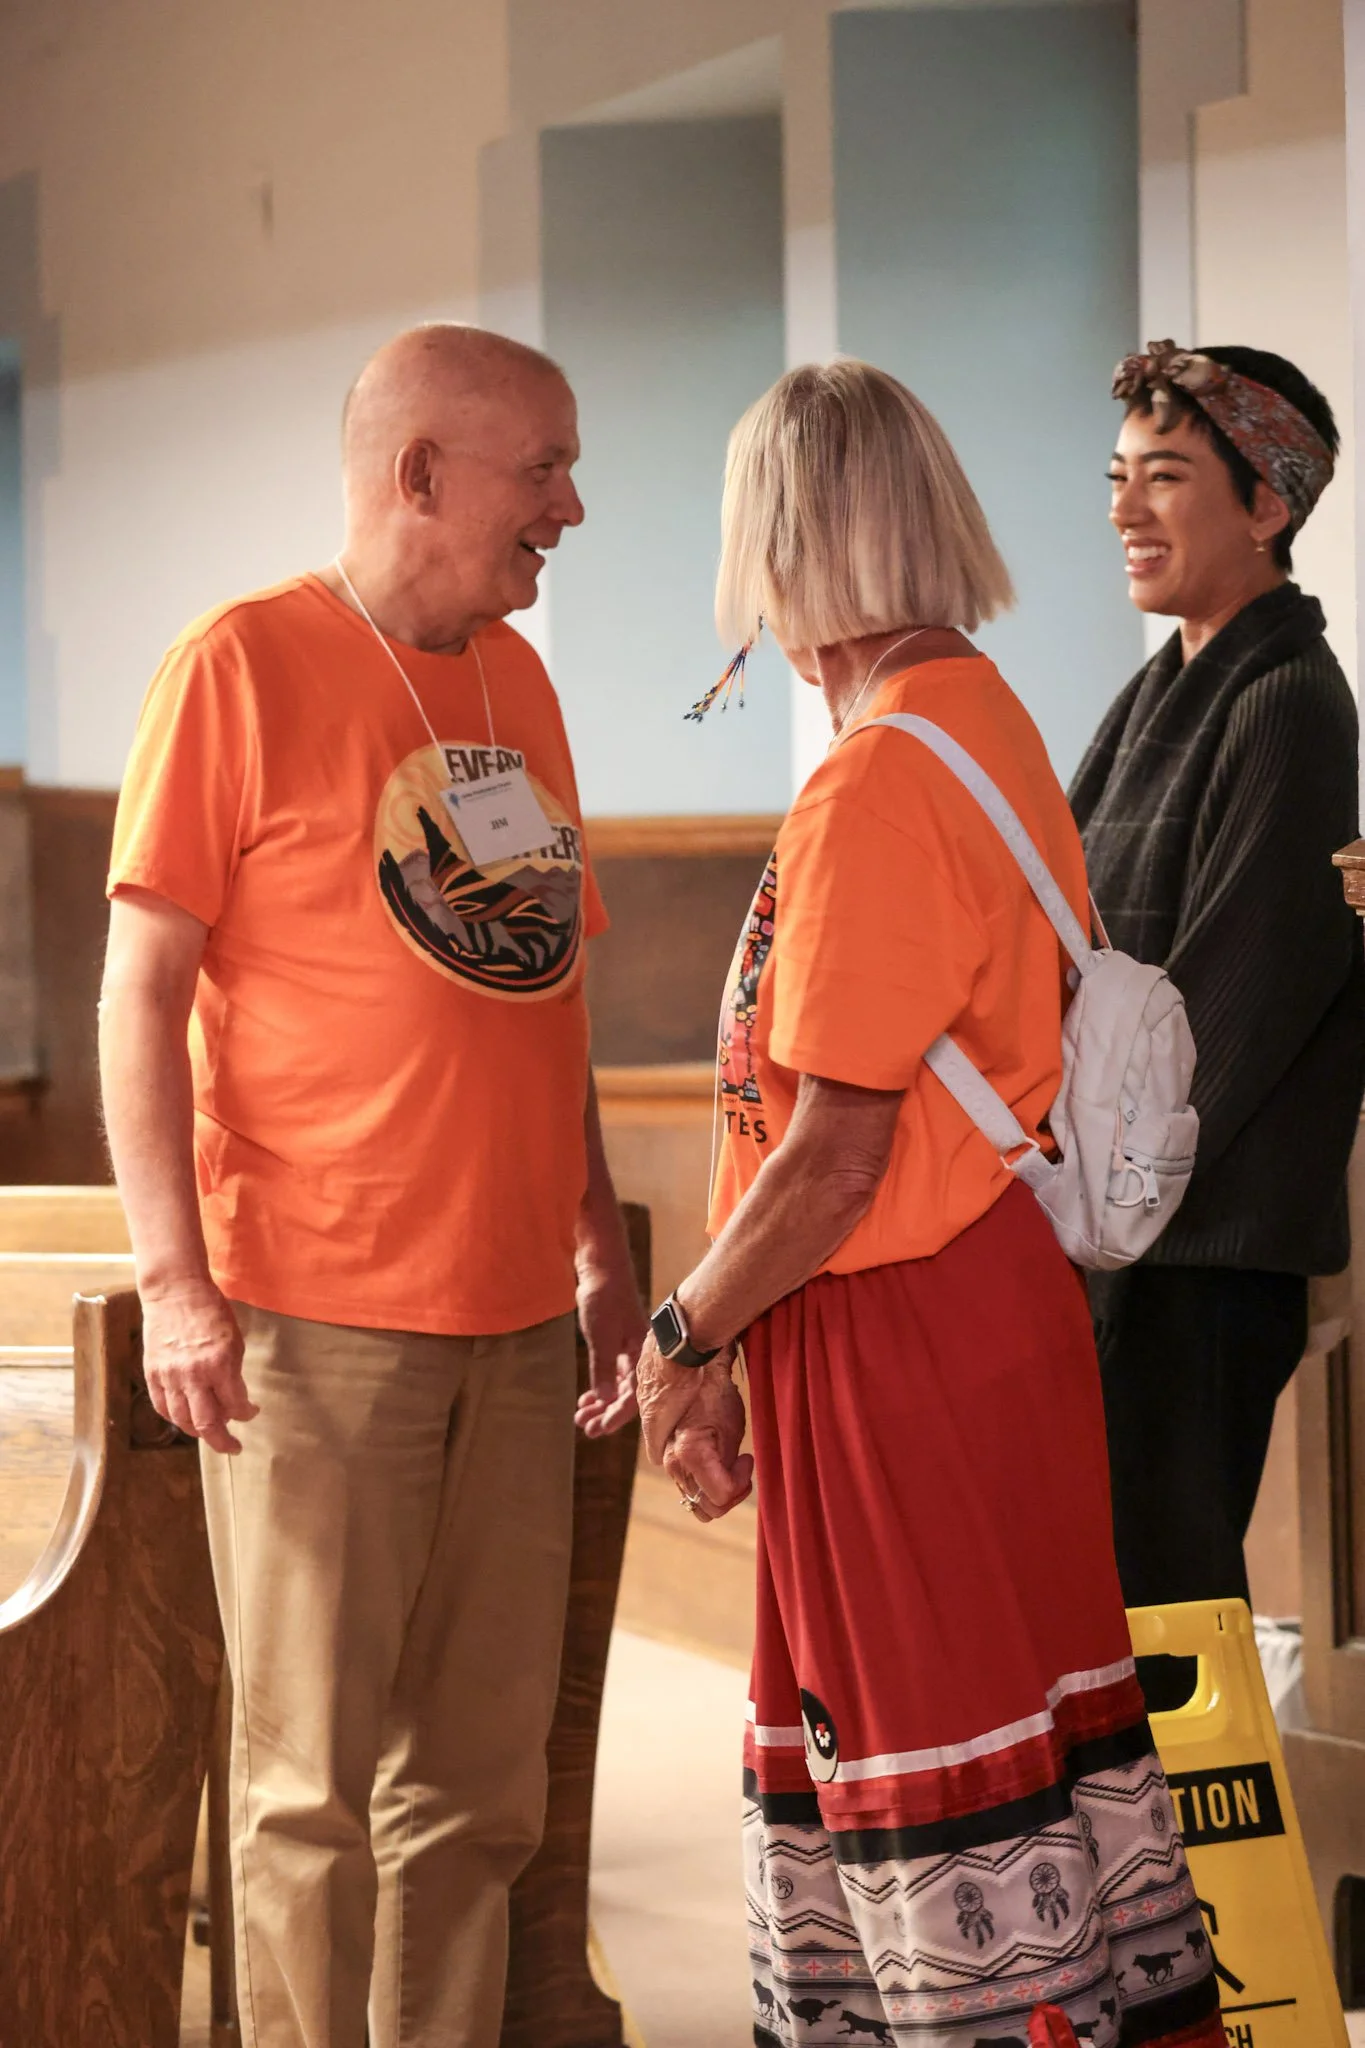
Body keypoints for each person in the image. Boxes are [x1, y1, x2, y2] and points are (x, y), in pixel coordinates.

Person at [581, 360, 1222, 2048]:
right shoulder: (981, 714)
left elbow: (837, 1150)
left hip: (896, 1322)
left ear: (785, 547)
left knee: (931, 1762)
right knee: (1036, 1757)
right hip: (984, 1301)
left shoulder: (875, 781)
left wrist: (678, 1332)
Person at [98, 324, 644, 2048]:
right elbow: (140, 987)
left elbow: (543, 992)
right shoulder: (242, 665)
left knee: (478, 1800)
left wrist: (597, 1252)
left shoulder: (522, 685)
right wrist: (177, 1283)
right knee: (304, 1798)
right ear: (421, 473)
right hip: (315, 1317)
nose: (570, 503)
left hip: (513, 1323)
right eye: (540, 468)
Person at [1070, 343, 1365, 1710]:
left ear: (1269, 504)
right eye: (1119, 478)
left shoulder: (1293, 701)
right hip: (1121, 1226)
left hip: (1194, 1250)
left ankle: (1205, 1916)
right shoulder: (1150, 698)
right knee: (1113, 1601)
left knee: (1173, 1599)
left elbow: (1231, 1012)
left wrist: (1104, 1215)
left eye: (1167, 479)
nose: (1127, 510)